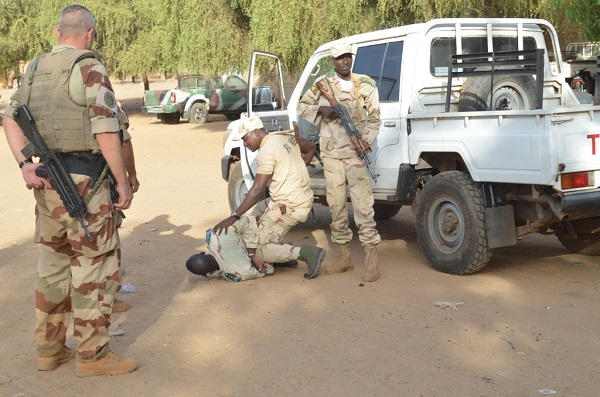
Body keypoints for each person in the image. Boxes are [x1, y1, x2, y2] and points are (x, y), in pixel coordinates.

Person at [2, 5, 137, 376]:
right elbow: (107, 130)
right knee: (94, 266)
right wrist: (122, 182)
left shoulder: (34, 69)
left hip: (46, 184)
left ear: (58, 31)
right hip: (85, 185)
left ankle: (49, 351)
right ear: (90, 33)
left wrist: (24, 166)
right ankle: (93, 357)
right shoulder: (89, 67)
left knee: (53, 266)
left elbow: (9, 118)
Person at [297, 43, 382, 282]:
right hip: (332, 155)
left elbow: (375, 118)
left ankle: (371, 258)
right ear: (332, 62)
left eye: (348, 57)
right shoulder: (323, 84)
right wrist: (323, 110)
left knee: (364, 207)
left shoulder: (366, 84)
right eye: (340, 58)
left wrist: (366, 140)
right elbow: (302, 107)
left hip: (356, 154)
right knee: (336, 206)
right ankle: (344, 258)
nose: (345, 61)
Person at [213, 117, 324, 279]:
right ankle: (281, 257)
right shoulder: (284, 137)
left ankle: (306, 253)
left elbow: (257, 189)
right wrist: (297, 167)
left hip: (289, 204)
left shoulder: (266, 152)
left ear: (256, 133)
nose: (244, 144)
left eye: (245, 138)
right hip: (297, 198)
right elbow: (311, 147)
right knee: (252, 221)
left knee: (256, 249)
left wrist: (234, 215)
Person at [187, 215, 274, 281]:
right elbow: (247, 219)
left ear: (205, 274)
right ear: (202, 253)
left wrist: (251, 256)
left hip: (269, 250)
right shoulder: (216, 235)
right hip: (265, 223)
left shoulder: (235, 273)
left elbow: (266, 270)